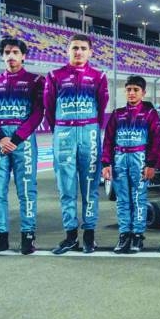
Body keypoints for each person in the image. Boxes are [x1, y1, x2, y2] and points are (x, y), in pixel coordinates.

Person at [0, 38, 45, 256]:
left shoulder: (36, 81)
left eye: (15, 52)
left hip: (22, 141)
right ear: (2, 55)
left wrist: (16, 139)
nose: (11, 56)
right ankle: (0, 237)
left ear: (24, 56)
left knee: (27, 191)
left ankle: (28, 236)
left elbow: (38, 112)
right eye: (7, 52)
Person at [44, 33, 109, 254]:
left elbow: (101, 107)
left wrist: (89, 128)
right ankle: (70, 235)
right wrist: (63, 129)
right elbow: (49, 108)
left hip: (89, 133)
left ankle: (89, 235)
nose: (78, 52)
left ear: (90, 52)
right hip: (64, 133)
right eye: (74, 48)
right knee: (66, 187)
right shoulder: (54, 75)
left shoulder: (99, 77)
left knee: (90, 187)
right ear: (68, 50)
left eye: (83, 48)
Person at [101, 75, 160, 254]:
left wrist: (151, 163)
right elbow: (108, 140)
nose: (131, 93)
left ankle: (137, 235)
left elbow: (156, 140)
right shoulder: (117, 114)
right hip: (120, 159)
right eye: (128, 89)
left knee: (138, 199)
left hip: (140, 160)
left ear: (143, 92)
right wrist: (106, 162)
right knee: (122, 200)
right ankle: (124, 235)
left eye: (136, 90)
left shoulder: (150, 114)